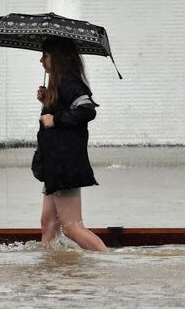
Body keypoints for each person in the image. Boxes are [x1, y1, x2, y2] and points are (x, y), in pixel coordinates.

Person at [34, 36, 108, 252]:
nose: (41, 61)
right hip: (54, 164)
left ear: (58, 58)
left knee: (72, 227)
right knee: (48, 225)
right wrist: (49, 99)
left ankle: (108, 260)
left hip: (64, 163)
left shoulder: (69, 81)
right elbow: (68, 107)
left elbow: (87, 110)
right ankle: (52, 268)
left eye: (45, 55)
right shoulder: (59, 84)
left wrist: (55, 119)